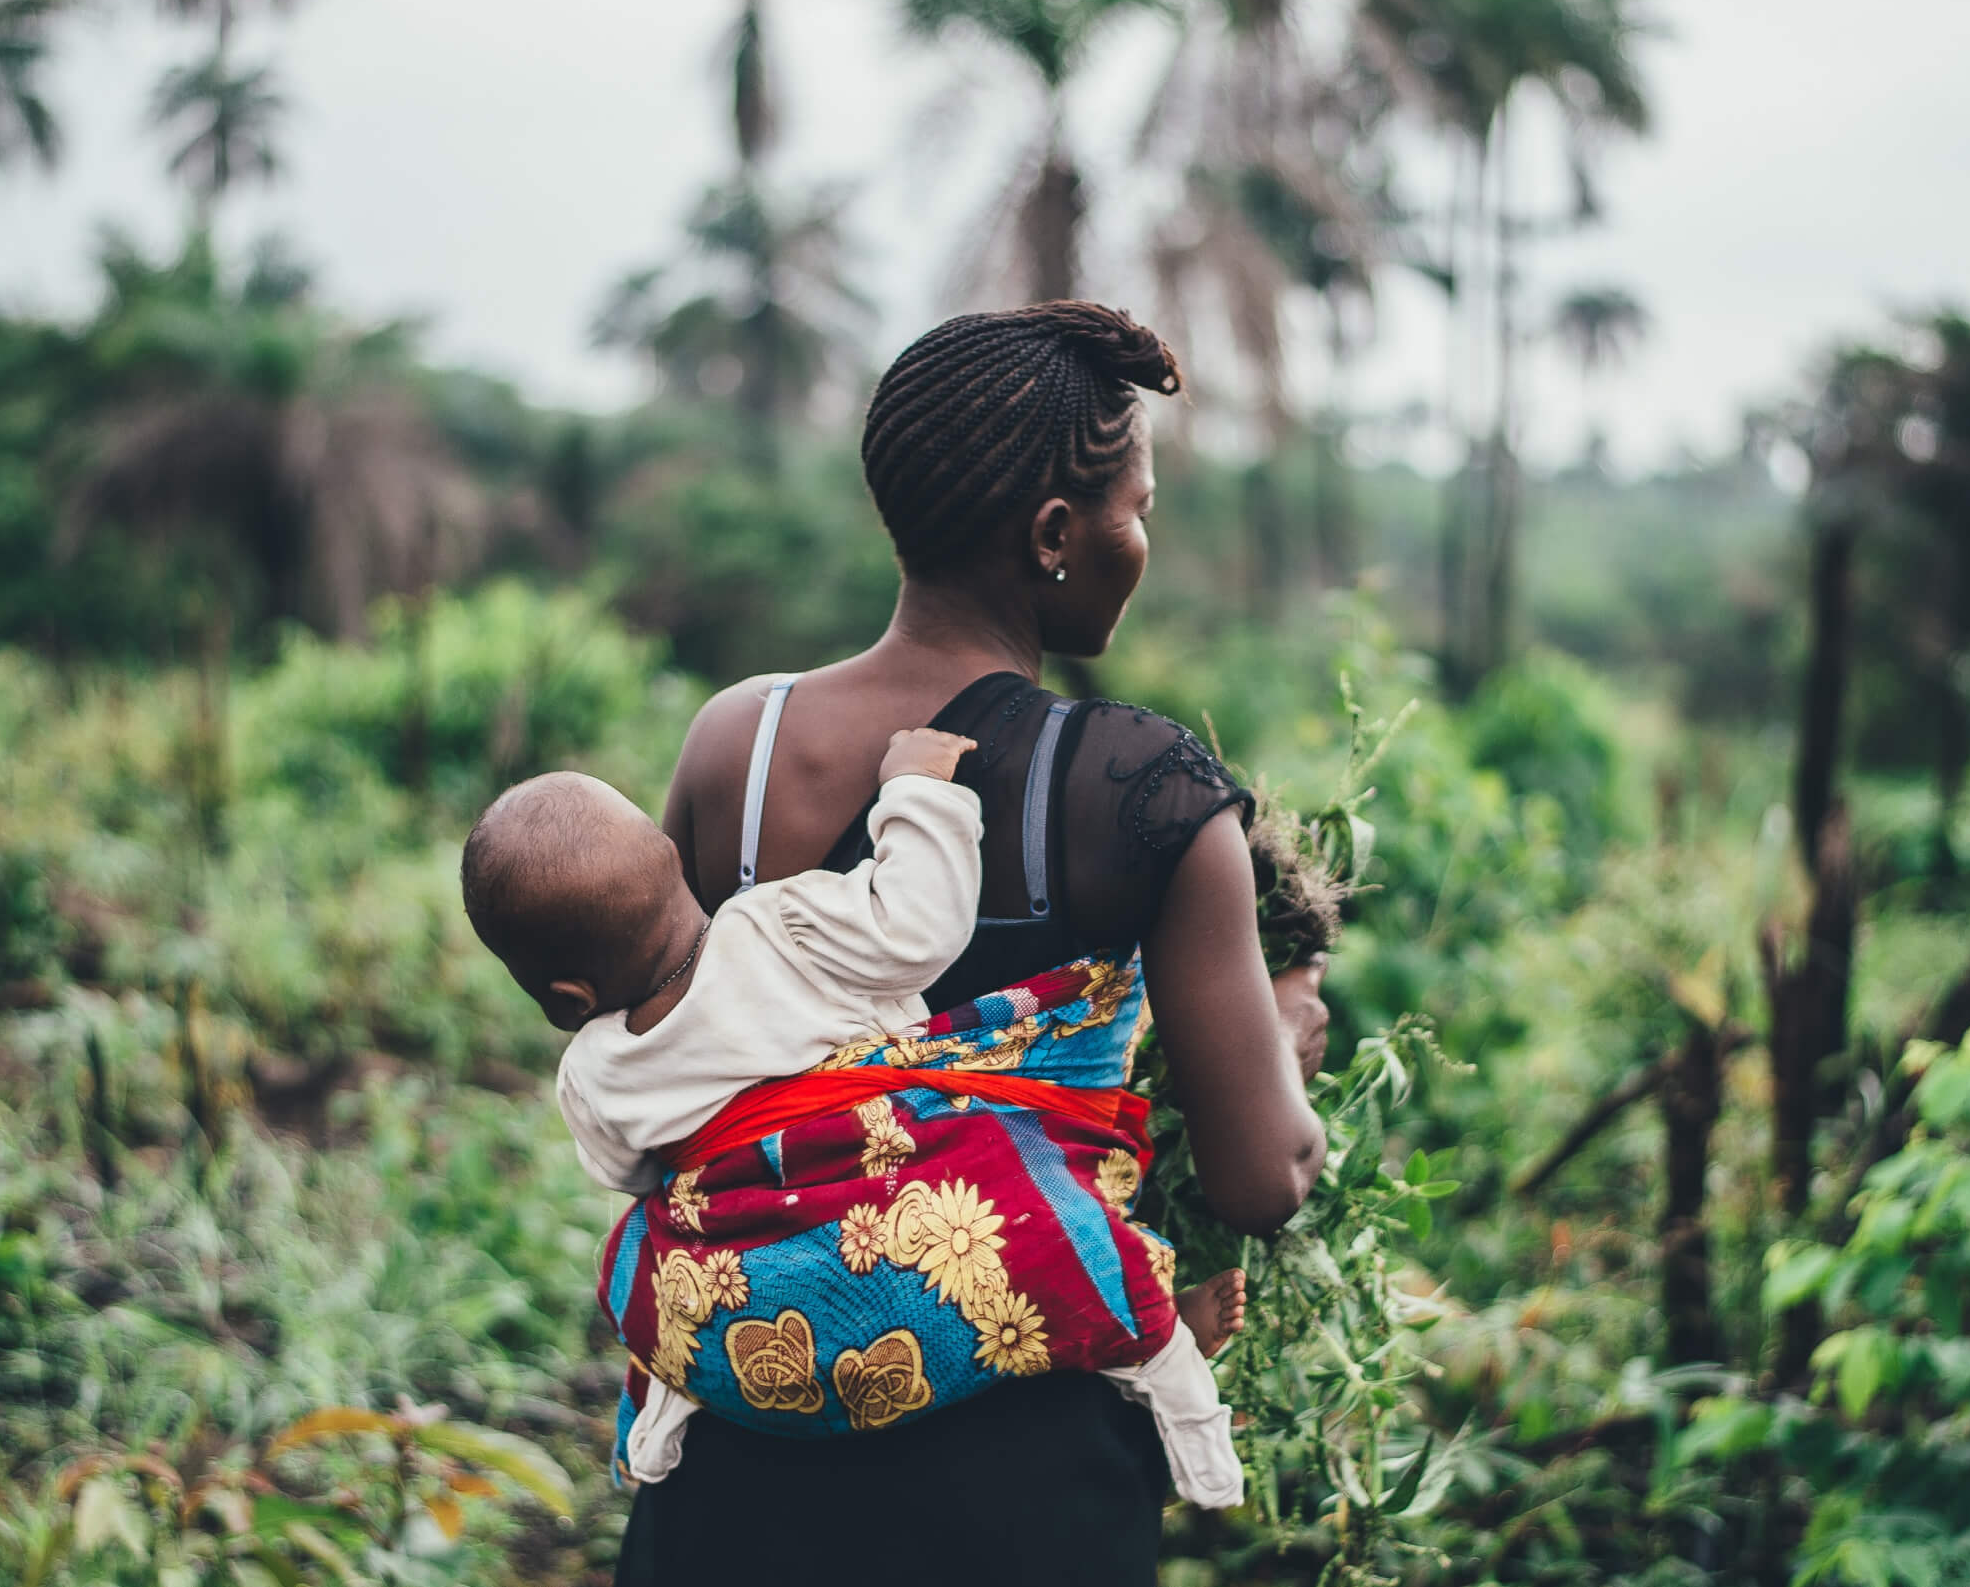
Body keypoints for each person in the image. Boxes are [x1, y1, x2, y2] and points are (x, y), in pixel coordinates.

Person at [619, 300, 1329, 1587]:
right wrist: (1284, 1031)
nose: (1142, 541)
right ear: (1056, 533)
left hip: (742, 1450)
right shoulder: (1142, 788)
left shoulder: (740, 741)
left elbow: (657, 1054)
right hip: (1020, 1496)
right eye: (1140, 508)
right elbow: (1261, 1180)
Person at [458, 727, 1252, 1508]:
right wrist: (917, 789)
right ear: (672, 863)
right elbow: (919, 927)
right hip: (899, 1221)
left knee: (642, 1260)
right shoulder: (778, 925)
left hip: (758, 1303)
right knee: (1046, 1223)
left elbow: (635, 1175)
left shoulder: (593, 1072)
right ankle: (1166, 1366)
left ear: (566, 998)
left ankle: (669, 1405)